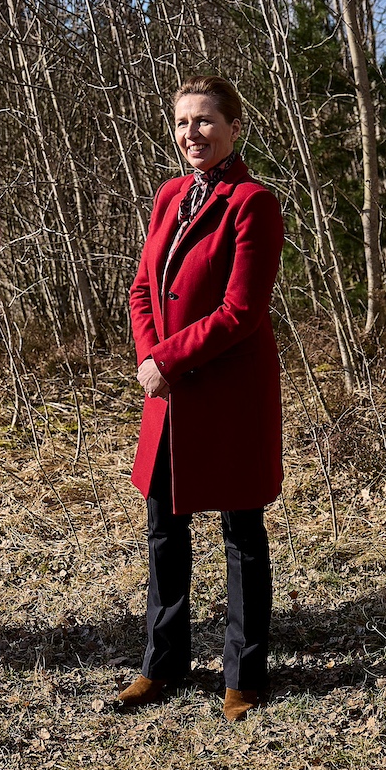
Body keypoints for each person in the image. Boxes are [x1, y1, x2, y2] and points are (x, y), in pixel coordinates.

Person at [116, 76, 284, 723]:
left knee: (242, 535)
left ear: (235, 127)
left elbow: (242, 310)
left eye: (206, 121)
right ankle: (162, 664)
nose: (193, 133)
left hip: (228, 395)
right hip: (169, 399)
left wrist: (168, 359)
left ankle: (244, 675)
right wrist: (148, 357)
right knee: (164, 530)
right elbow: (140, 287)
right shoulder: (167, 197)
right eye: (183, 121)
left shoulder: (254, 203)